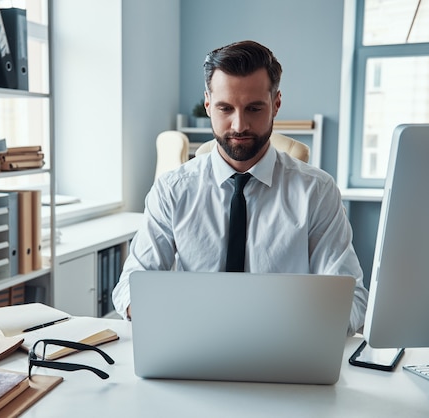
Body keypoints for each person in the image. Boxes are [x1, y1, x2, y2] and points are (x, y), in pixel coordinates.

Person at [112, 40, 368, 335]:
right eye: (225, 108)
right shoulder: (172, 190)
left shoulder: (317, 191)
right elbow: (129, 288)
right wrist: (166, 317)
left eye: (254, 108)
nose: (238, 125)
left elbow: (353, 300)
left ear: (276, 104)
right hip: (193, 346)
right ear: (208, 104)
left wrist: (303, 328)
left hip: (286, 351)